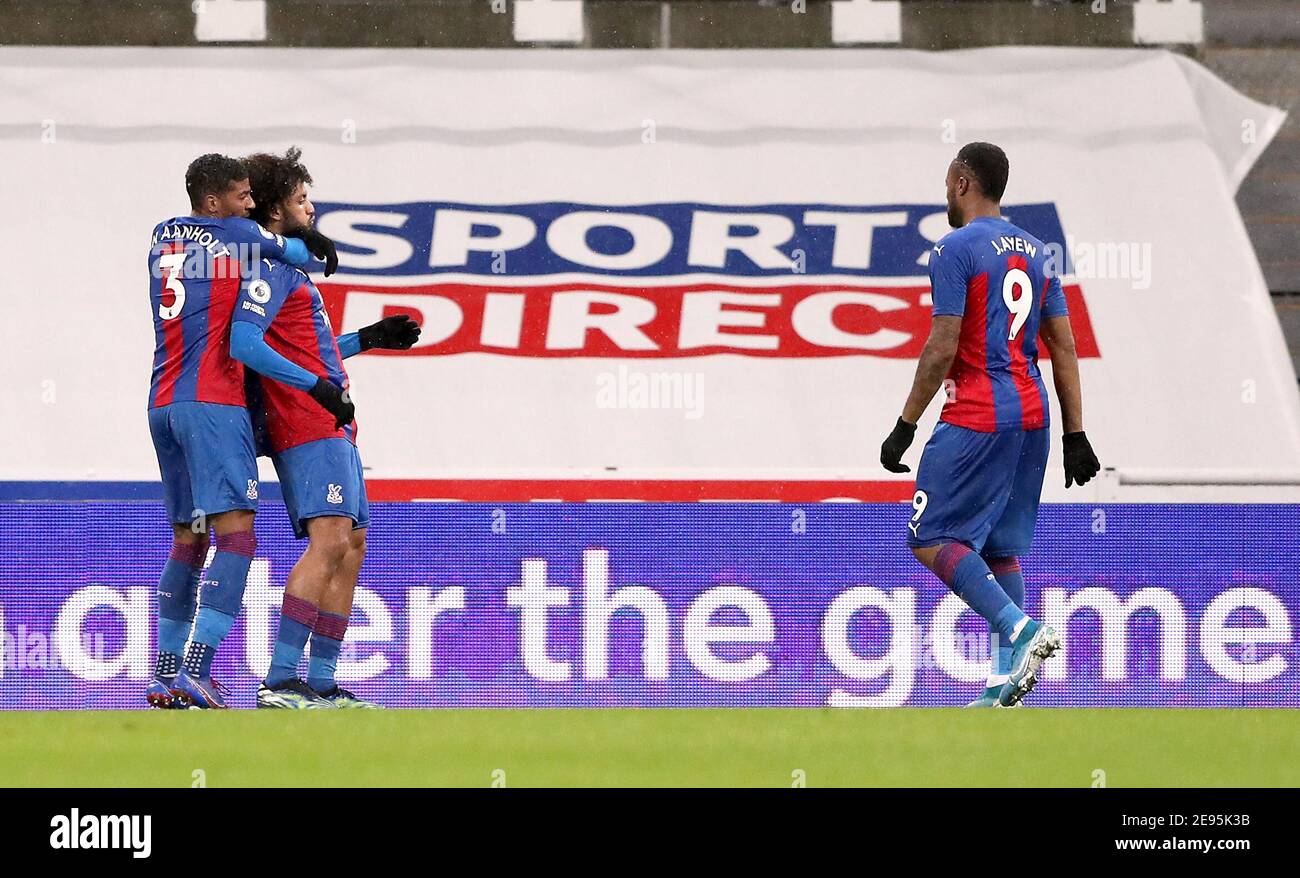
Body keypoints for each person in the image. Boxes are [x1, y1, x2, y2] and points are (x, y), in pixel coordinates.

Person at [879, 142, 1100, 707]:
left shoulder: (953, 248)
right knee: (999, 548)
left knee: (930, 538)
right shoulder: (1037, 250)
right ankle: (1004, 682)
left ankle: (1023, 630)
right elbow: (1064, 347)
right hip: (1033, 418)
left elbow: (942, 344)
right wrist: (1076, 435)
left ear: (960, 182)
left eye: (945, 183)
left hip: (978, 413)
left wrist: (905, 425)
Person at [229, 146, 420, 708]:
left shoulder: (290, 270)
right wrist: (314, 389)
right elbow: (246, 344)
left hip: (332, 423)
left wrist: (366, 339)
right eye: (301, 199)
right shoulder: (268, 269)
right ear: (274, 210)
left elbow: (311, 355)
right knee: (330, 539)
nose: (311, 209)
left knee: (352, 544)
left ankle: (320, 683)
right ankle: (280, 680)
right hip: (306, 424)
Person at [147, 153, 338, 709]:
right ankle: (197, 670)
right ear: (215, 202)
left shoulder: (163, 236)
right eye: (241, 196)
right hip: (213, 401)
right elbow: (300, 252)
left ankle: (164, 673)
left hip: (163, 400)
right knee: (237, 538)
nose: (251, 205)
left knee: (189, 538)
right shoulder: (234, 235)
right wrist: (310, 241)